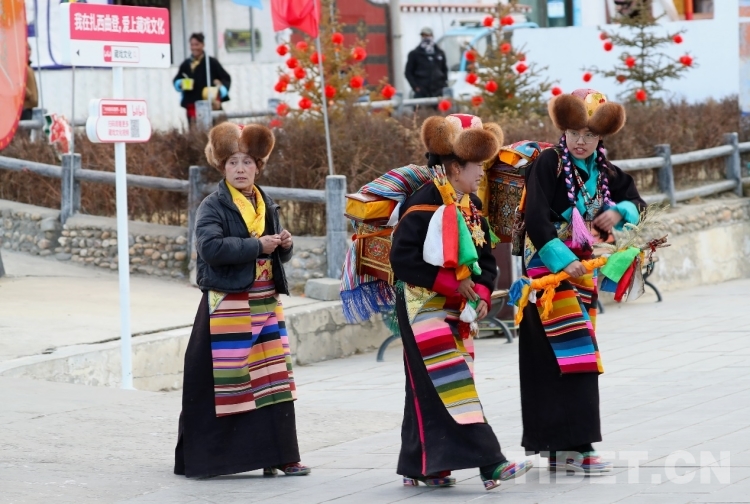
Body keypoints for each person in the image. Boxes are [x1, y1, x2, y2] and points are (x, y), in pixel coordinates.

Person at [389, 114, 533, 491]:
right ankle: (491, 464)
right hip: (421, 305)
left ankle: (422, 465)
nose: (483, 173)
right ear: (456, 168)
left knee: (432, 384)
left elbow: (486, 260)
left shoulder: (470, 204)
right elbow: (402, 259)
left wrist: (482, 293)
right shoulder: (424, 202)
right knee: (453, 381)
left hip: (455, 308)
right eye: (477, 166)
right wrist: (453, 285)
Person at [519, 89, 645, 473]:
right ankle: (573, 447)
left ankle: (563, 448)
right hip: (548, 273)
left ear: (601, 136)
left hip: (582, 273)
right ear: (564, 130)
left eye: (589, 135)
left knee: (572, 354)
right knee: (570, 354)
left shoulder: (604, 170)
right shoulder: (549, 163)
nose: (581, 141)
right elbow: (535, 217)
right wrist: (563, 259)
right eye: (575, 132)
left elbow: (636, 203)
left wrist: (617, 212)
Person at [174, 122, 309, 478]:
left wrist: (284, 245)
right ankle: (214, 458)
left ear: (258, 167)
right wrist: (256, 246)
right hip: (227, 304)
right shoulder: (213, 206)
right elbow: (210, 248)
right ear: (222, 167)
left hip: (265, 302)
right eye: (232, 162)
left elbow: (276, 254)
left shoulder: (266, 203)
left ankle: (282, 456)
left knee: (274, 381)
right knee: (224, 383)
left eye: (247, 162)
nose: (240, 169)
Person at [173, 33, 232, 124]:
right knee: (195, 131)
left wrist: (219, 92)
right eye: (192, 45)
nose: (194, 47)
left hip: (211, 105)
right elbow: (176, 80)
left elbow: (226, 78)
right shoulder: (186, 64)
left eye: (197, 44)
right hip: (192, 106)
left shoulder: (211, 62)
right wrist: (181, 83)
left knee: (215, 129)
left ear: (203, 45)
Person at [404, 27, 448, 98]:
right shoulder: (414, 54)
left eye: (428, 35)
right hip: (422, 91)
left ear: (432, 36)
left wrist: (444, 84)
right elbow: (408, 72)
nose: (426, 38)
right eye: (424, 36)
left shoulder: (440, 53)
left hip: (438, 91)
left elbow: (444, 69)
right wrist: (415, 87)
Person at [22, 43, 38, 121]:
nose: (28, 52)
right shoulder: (21, 67)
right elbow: (19, 84)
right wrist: (29, 95)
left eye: (29, 49)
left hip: (29, 106)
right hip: (24, 106)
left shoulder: (28, 67)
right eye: (26, 50)